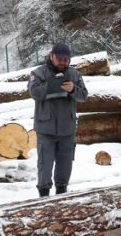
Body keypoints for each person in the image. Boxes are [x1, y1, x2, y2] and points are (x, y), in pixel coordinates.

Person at [28, 43, 88, 197]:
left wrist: (73, 89)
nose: (63, 62)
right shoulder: (38, 73)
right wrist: (52, 84)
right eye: (60, 59)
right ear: (51, 57)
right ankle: (43, 196)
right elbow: (34, 92)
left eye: (66, 59)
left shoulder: (74, 75)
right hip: (45, 129)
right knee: (45, 166)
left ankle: (61, 196)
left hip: (67, 129)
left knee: (65, 166)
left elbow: (84, 95)